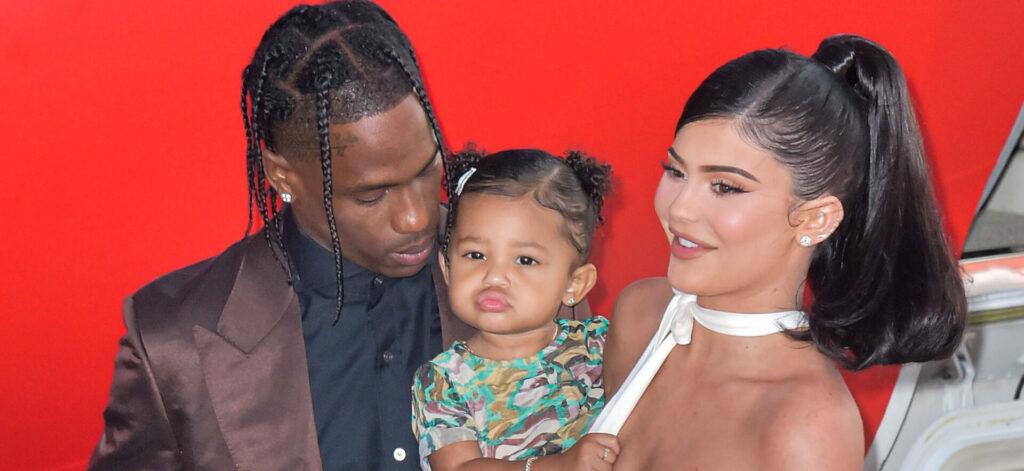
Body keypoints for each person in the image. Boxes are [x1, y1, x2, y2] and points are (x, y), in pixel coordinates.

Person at [88, 2, 587, 470]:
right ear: (282, 176)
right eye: (371, 196)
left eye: (425, 168)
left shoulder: (534, 267)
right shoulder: (172, 338)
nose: (416, 217)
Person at [594, 35, 967, 470]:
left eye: (725, 186)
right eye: (676, 171)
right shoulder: (641, 314)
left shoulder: (806, 424)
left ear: (816, 219)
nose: (678, 208)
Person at [411, 149, 620, 471]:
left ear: (575, 284)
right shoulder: (444, 380)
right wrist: (558, 466)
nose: (494, 276)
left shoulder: (602, 345)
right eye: (475, 255)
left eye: (525, 260)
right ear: (447, 267)